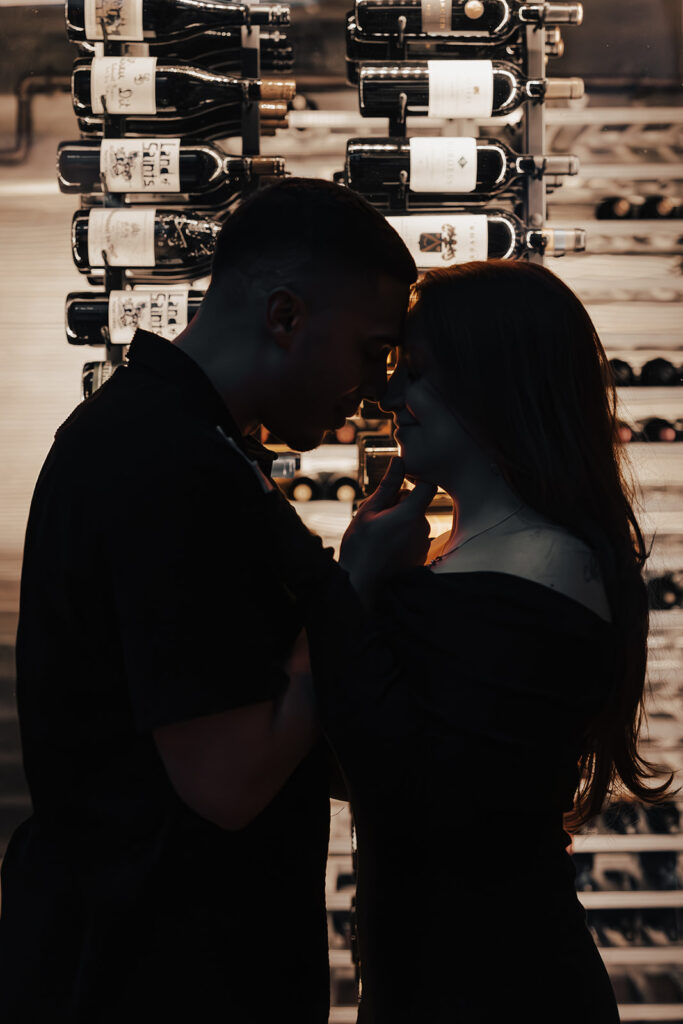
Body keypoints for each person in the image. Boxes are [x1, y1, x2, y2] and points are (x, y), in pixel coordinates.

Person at [0, 178, 431, 1023]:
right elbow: (229, 781)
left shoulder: (176, 436)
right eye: (371, 349)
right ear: (284, 316)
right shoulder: (170, 469)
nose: (377, 387)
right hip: (158, 973)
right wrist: (353, 586)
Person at [262, 260, 679, 1022]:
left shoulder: (540, 566)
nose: (389, 399)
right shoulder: (485, 558)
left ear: (494, 384)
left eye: (414, 374)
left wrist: (353, 582)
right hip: (445, 978)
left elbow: (406, 783)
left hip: (495, 989)